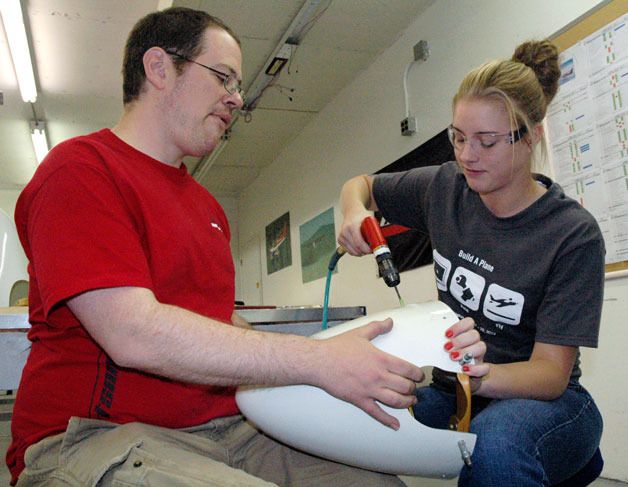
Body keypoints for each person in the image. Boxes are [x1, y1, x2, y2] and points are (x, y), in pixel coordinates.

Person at [6, 7, 485, 487]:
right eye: (223, 78)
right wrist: (317, 361)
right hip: (99, 435)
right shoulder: (82, 170)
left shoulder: (206, 207)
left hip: (230, 427)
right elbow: (132, 333)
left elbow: (218, 321)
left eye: (237, 86)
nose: (236, 99)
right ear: (158, 68)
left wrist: (336, 357)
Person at [338, 39, 604, 487]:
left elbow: (550, 376)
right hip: (459, 386)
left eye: (486, 141)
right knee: (364, 416)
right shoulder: (444, 188)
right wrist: (354, 211)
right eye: (458, 137)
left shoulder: (571, 235)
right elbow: (360, 184)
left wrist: (474, 376)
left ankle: (560, 460)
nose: (466, 155)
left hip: (544, 401)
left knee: (493, 445)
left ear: (532, 136)